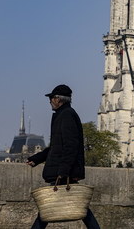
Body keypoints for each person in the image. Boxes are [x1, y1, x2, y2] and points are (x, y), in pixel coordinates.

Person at [26, 84, 100, 229]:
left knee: (48, 208)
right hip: (64, 169)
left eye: (51, 98)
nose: (50, 101)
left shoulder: (66, 115)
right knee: (79, 207)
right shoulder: (63, 115)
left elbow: (70, 146)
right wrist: (37, 158)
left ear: (58, 99)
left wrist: (64, 171)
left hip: (64, 171)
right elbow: (56, 147)